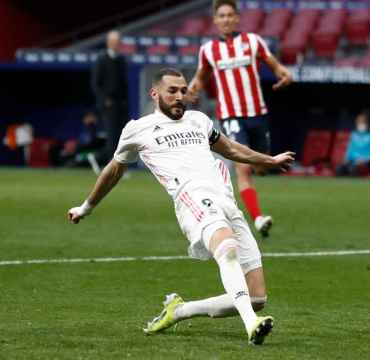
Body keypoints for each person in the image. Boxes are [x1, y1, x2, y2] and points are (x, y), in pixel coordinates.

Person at [67, 68, 295, 345]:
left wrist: (268, 160)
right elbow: (113, 171)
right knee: (227, 249)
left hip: (225, 199)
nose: (179, 97)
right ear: (155, 94)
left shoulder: (198, 120)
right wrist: (86, 206)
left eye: (183, 90)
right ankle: (251, 325)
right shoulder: (137, 130)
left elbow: (231, 149)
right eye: (172, 91)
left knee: (257, 296)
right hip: (191, 198)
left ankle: (181, 310)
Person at [186, 0, 293, 237]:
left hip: (258, 113)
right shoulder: (208, 50)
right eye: (221, 16)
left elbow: (276, 66)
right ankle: (258, 218)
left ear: (237, 18)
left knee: (261, 167)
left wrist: (284, 75)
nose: (225, 19)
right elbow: (200, 77)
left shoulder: (253, 42)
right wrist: (192, 89)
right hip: (230, 115)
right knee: (242, 166)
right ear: (215, 20)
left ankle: (259, 175)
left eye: (229, 15)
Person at [91, 30, 129, 164]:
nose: (116, 44)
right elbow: (96, 83)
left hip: (121, 104)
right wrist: (104, 100)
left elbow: (124, 83)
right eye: (113, 42)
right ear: (108, 43)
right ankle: (108, 162)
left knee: (121, 136)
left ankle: (116, 164)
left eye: (118, 42)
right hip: (108, 105)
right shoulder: (101, 59)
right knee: (111, 135)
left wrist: (125, 102)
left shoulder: (121, 59)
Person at [336, 112, 370, 176]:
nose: (361, 125)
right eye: (359, 123)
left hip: (368, 163)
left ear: (368, 124)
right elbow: (349, 151)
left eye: (363, 122)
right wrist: (346, 160)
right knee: (340, 169)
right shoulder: (354, 135)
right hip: (353, 162)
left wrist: (364, 160)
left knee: (355, 170)